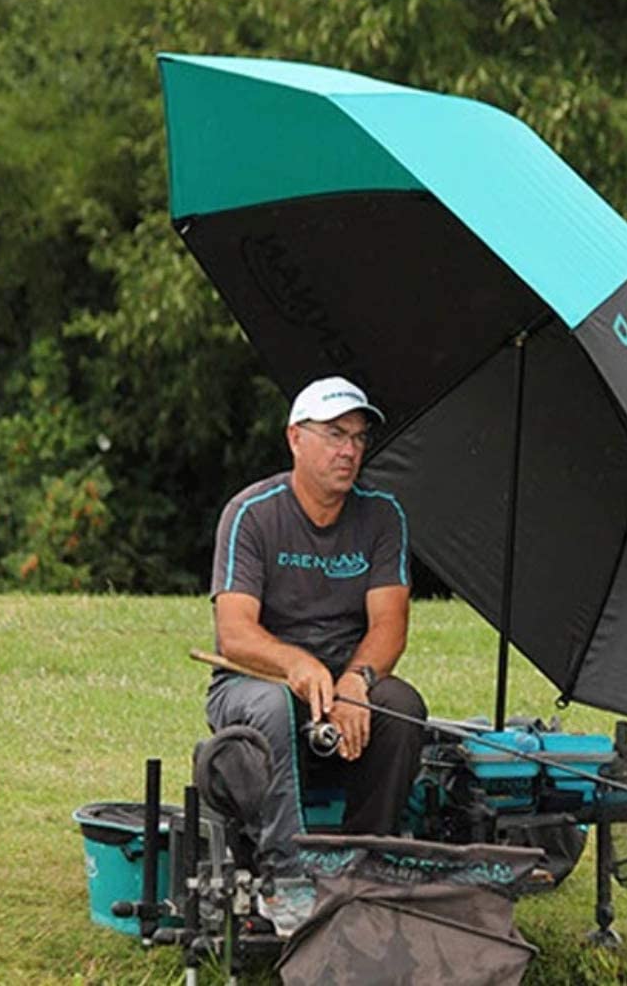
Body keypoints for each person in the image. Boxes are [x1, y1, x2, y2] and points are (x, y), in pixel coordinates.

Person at [205, 375, 427, 931]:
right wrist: (297, 665)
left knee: (402, 707)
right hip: (252, 682)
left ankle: (363, 868)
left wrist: (356, 680)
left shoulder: (383, 515)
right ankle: (286, 880)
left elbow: (390, 627)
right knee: (274, 705)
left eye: (358, 437)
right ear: (295, 438)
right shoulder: (251, 513)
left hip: (345, 682)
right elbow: (235, 635)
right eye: (334, 434)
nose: (348, 450)